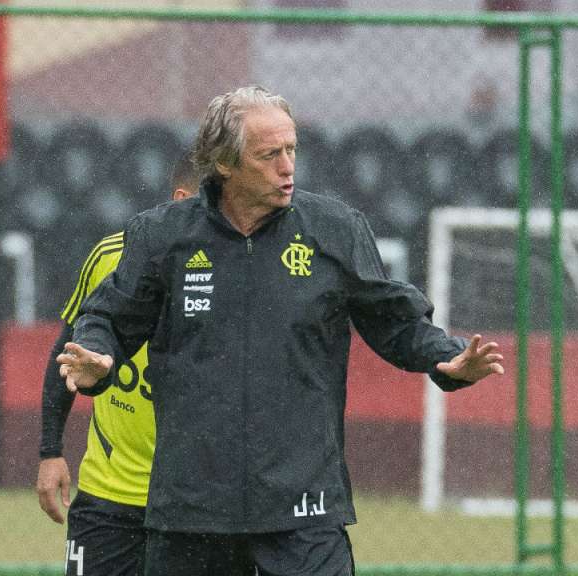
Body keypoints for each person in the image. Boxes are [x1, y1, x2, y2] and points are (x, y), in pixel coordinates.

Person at [56, 85, 504, 576]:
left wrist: (446, 357)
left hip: (304, 509)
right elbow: (108, 319)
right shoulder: (163, 236)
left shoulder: (334, 230)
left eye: (291, 150)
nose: (287, 166)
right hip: (192, 509)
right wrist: (97, 357)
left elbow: (395, 320)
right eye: (269, 155)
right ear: (225, 163)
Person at [35, 154, 200, 576]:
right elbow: (66, 354)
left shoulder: (243, 267)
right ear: (182, 199)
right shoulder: (112, 255)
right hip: (109, 498)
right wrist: (51, 452)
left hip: (196, 505)